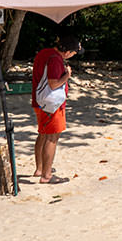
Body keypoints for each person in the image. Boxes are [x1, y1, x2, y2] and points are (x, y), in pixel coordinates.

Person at [31, 33, 79, 184]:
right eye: (73, 53)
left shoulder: (44, 53)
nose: (71, 56)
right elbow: (53, 83)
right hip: (51, 105)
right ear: (67, 51)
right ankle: (46, 175)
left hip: (39, 101)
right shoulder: (56, 59)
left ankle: (40, 168)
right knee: (52, 137)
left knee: (43, 134)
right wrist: (67, 76)